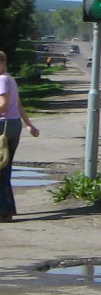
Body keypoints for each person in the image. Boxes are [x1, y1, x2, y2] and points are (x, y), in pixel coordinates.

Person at [0, 50, 41, 223]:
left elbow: (4, 104)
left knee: (1, 170)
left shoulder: (1, 80)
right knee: (5, 168)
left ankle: (4, 212)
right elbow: (19, 105)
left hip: (3, 125)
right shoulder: (10, 79)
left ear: (2, 63)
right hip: (14, 124)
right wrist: (29, 124)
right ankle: (8, 209)